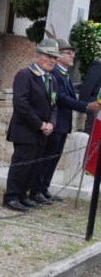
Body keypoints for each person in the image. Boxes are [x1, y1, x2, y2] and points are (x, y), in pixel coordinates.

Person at [33, 39, 99, 202]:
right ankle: (36, 190)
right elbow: (61, 98)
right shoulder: (55, 73)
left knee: (54, 157)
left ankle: (44, 188)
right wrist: (86, 106)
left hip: (63, 123)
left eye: (72, 53)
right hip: (55, 122)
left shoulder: (63, 73)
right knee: (47, 158)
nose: (73, 56)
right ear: (59, 55)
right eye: (69, 53)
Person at [2, 39, 60, 212]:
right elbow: (21, 104)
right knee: (21, 165)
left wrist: (51, 123)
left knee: (33, 166)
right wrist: (40, 124)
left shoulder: (52, 79)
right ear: (37, 56)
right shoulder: (25, 75)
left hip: (43, 132)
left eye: (55, 58)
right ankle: (11, 197)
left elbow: (54, 105)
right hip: (26, 130)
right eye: (49, 56)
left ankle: (23, 195)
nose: (52, 60)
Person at [78, 56, 101, 128]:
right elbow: (88, 86)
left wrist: (81, 104)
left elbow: (88, 86)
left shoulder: (98, 66)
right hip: (94, 106)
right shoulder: (98, 66)